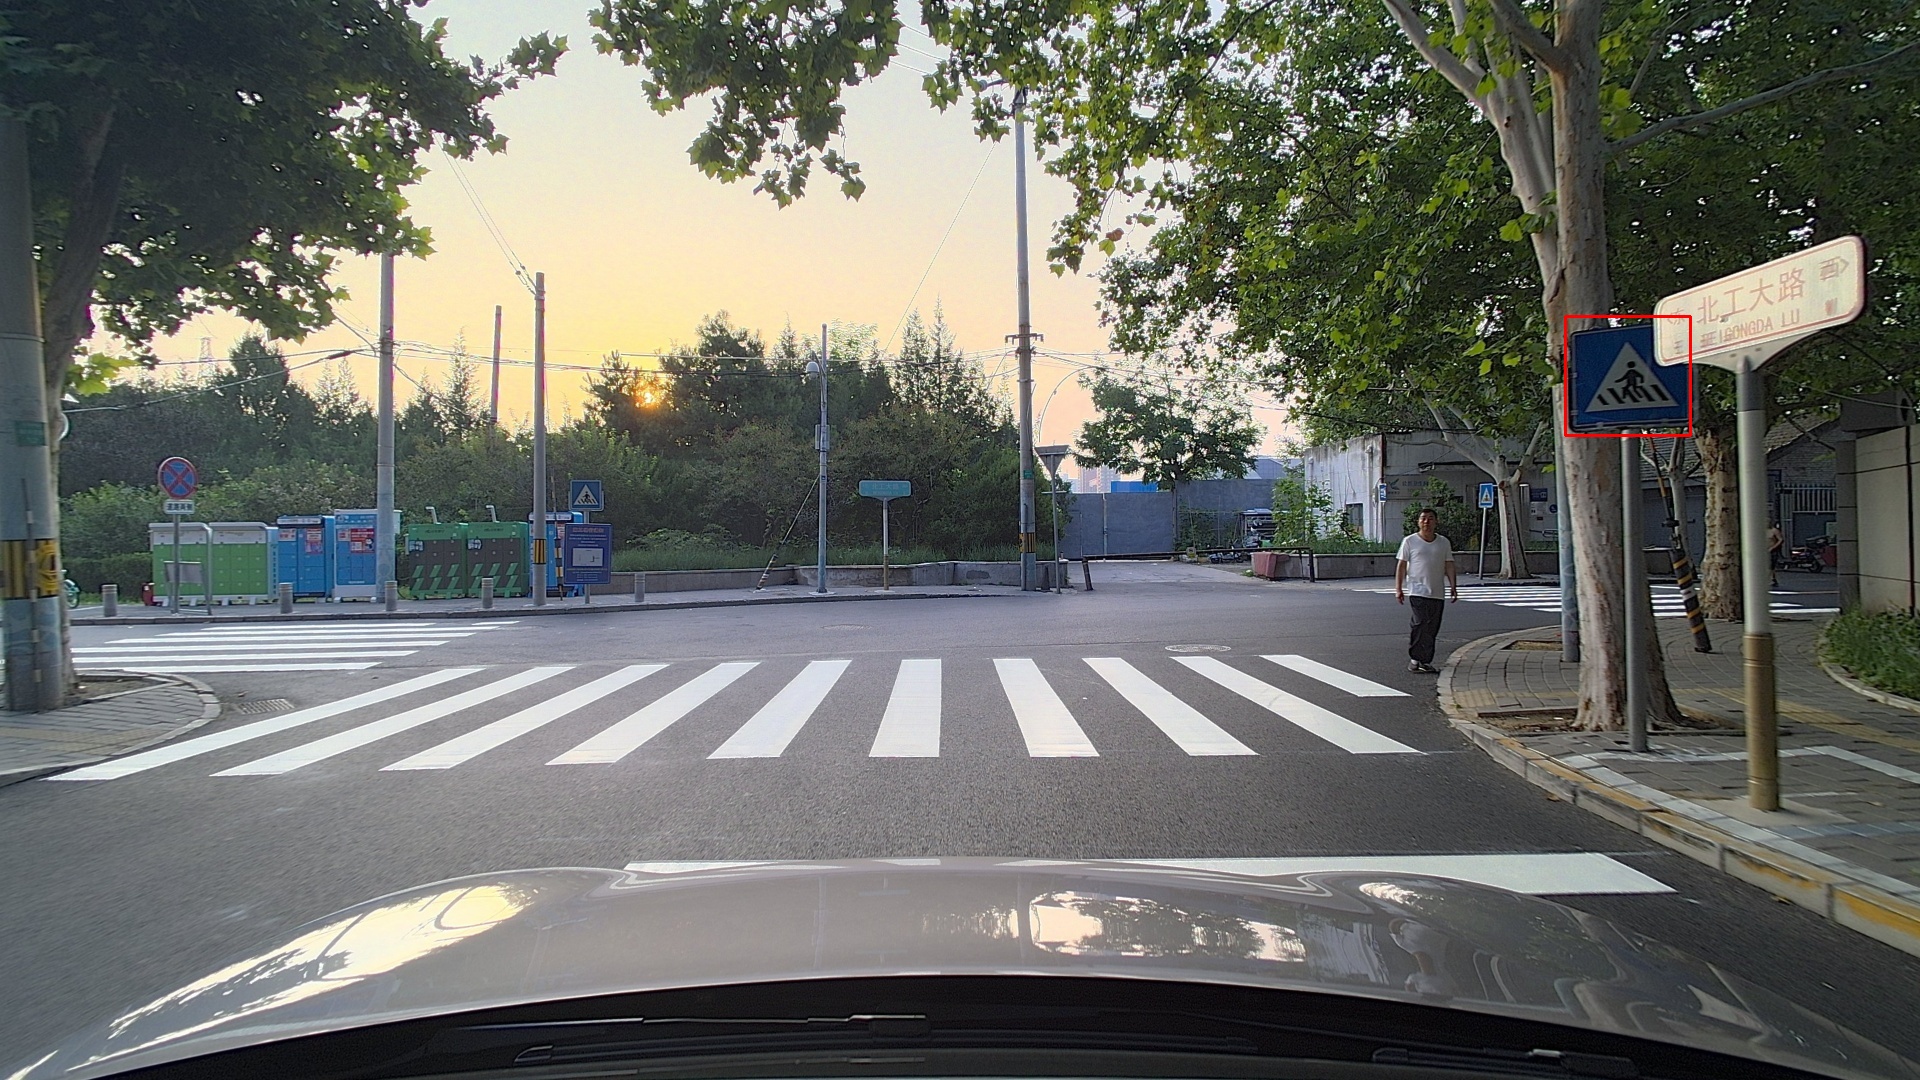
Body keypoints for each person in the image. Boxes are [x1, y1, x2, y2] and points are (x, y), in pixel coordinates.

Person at [1395, 508, 1458, 674]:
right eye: (1423, 518)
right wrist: (1398, 588)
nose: (1426, 522)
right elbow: (1401, 565)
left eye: (1430, 518)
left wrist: (1453, 586)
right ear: (1418, 522)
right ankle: (1415, 659)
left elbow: (1449, 564)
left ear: (1436, 522)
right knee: (1420, 623)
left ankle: (1425, 660)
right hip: (1417, 590)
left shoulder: (1443, 542)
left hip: (1437, 591)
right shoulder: (1410, 541)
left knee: (1432, 627)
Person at [1768, 522, 1784, 586]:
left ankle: (1772, 579)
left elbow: (1781, 540)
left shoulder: (1774, 530)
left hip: (1772, 551)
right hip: (1763, 551)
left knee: (1771, 565)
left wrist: (1773, 547)